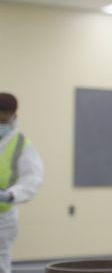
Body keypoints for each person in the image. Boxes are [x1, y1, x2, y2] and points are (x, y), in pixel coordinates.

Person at [0, 93, 43, 273]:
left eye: (3, 120)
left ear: (13, 116)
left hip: (3, 217)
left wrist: (10, 195)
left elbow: (32, 178)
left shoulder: (20, 144)